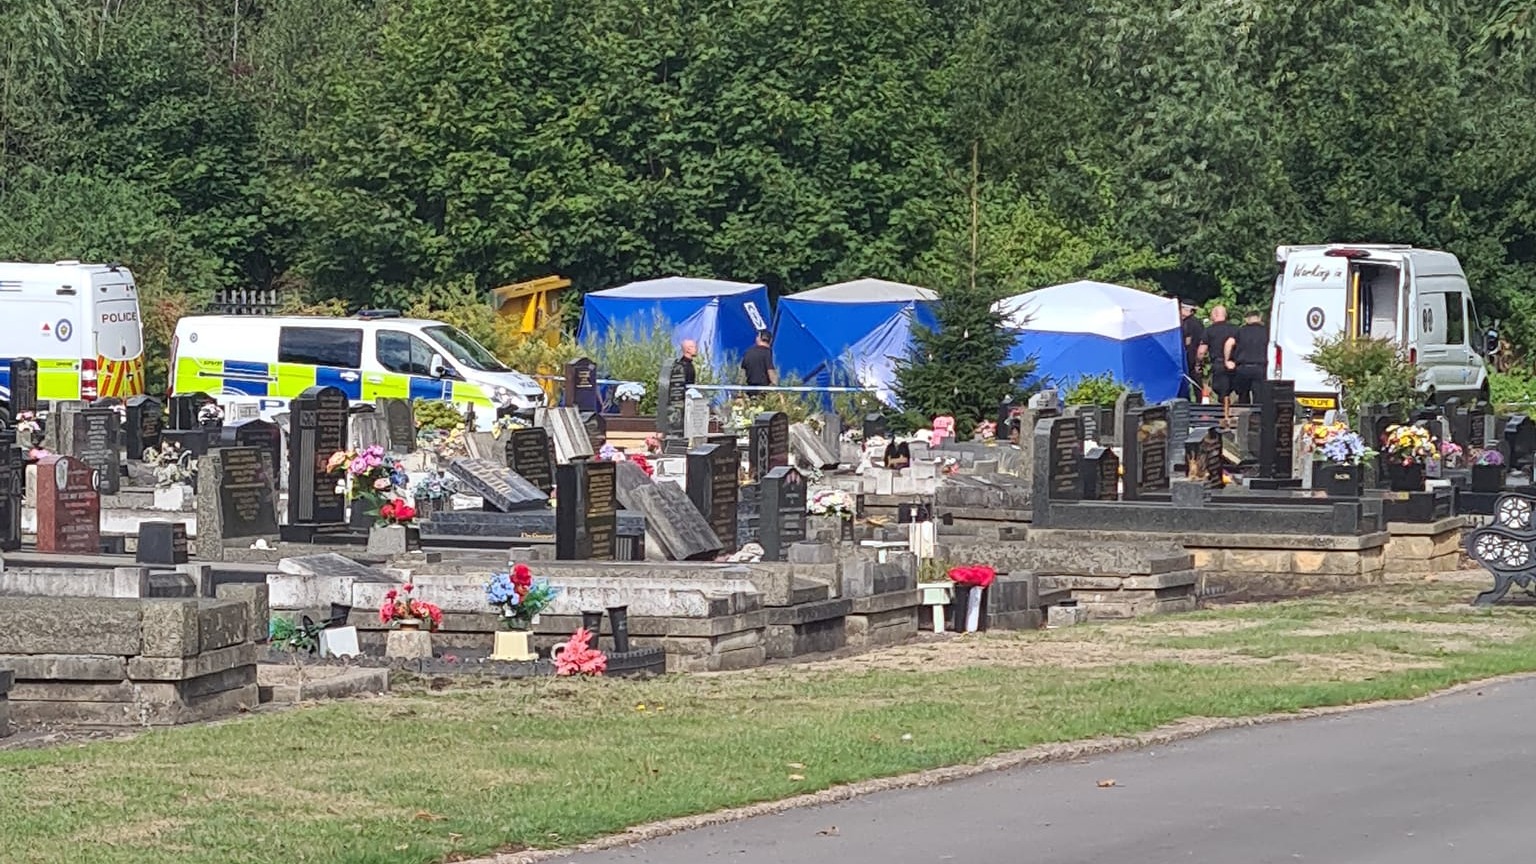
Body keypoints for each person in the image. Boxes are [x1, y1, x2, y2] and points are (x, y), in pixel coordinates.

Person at [1202, 306, 1239, 409]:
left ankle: (1223, 414)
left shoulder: (1209, 330)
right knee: (1234, 390)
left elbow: (1201, 351)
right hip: (1234, 364)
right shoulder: (1236, 329)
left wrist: (1198, 362)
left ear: (1214, 315)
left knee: (1221, 392)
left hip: (1218, 364)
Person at [1232, 309, 1270, 405]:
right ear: (1259, 318)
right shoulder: (1267, 331)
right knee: (1259, 396)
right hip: (1260, 367)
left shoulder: (1240, 331)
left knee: (1243, 396)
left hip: (1243, 367)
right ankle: (1257, 416)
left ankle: (1244, 415)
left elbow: (1229, 343)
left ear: (1246, 319)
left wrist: (1228, 359)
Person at [1179, 300, 1205, 402]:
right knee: (1196, 383)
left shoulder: (1188, 323)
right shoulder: (1198, 323)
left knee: (1191, 383)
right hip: (1193, 357)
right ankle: (1200, 403)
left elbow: (1187, 342)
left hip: (1189, 357)